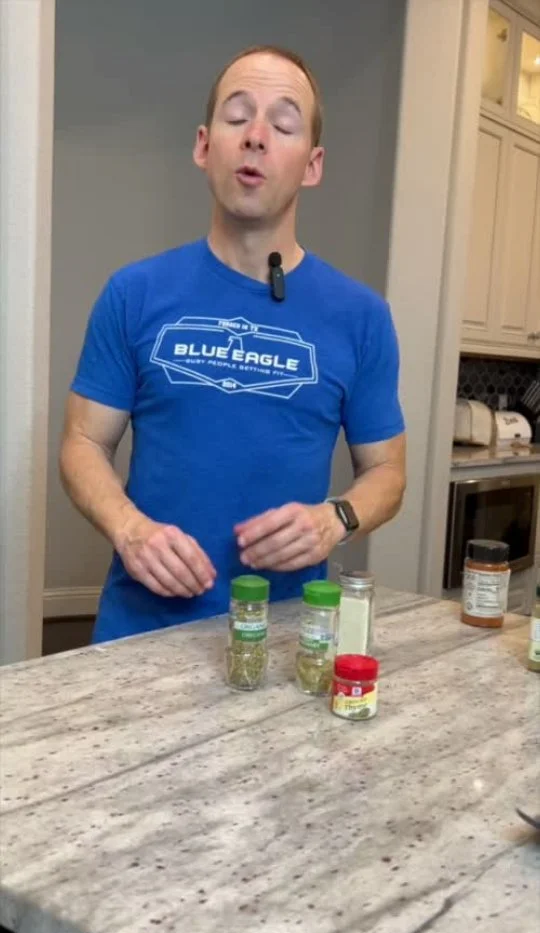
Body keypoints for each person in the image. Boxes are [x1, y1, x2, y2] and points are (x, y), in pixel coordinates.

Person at [60, 45, 406, 643]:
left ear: (313, 165)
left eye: (284, 124)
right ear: (204, 146)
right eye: (237, 116)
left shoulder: (362, 317)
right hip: (140, 636)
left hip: (288, 640)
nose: (255, 137)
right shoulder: (134, 293)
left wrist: (335, 519)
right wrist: (129, 528)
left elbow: (388, 471)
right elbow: (84, 442)